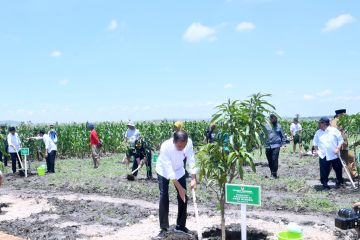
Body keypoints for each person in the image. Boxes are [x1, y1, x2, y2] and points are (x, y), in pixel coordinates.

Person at [155, 131, 197, 238]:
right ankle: (164, 228)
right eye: (179, 146)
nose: (182, 148)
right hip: (164, 171)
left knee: (183, 197)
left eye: (184, 146)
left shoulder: (189, 144)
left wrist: (193, 178)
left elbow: (191, 159)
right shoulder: (165, 146)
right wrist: (180, 188)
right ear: (174, 142)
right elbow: (169, 171)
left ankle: (181, 225)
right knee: (164, 195)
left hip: (179, 170)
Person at [313, 117, 344, 190]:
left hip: (334, 154)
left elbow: (340, 140)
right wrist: (317, 151)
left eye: (320, 123)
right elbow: (315, 143)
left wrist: (337, 148)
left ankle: (339, 182)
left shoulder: (334, 130)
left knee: (338, 169)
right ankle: (325, 185)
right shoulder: (318, 132)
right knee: (324, 171)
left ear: (324, 123)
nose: (318, 124)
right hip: (323, 155)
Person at [331, 109, 358, 179]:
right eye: (344, 114)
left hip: (342, 146)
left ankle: (354, 174)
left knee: (350, 157)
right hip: (339, 146)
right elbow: (335, 135)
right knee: (348, 159)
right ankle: (353, 175)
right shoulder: (335, 122)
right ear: (340, 114)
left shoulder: (339, 121)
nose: (346, 115)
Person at [265, 114, 287, 179]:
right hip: (268, 145)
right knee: (269, 160)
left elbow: (282, 136)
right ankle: (272, 172)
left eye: (276, 119)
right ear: (270, 120)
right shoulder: (266, 126)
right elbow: (262, 134)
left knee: (274, 159)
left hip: (276, 145)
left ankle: (274, 174)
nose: (275, 120)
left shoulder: (279, 126)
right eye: (273, 119)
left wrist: (284, 145)